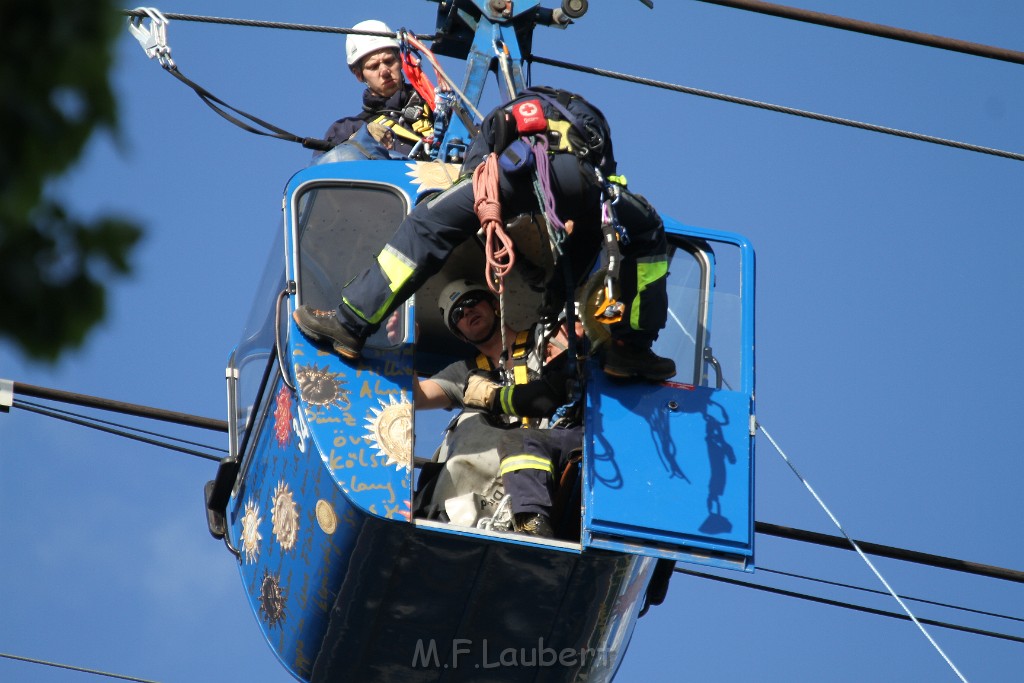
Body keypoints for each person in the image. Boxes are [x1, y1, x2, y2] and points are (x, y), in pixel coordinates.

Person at [295, 86, 675, 382]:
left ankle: (350, 324)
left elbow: (483, 158)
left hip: (527, 172)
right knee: (649, 234)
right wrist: (552, 299)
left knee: (427, 224)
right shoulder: (592, 130)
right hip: (595, 190)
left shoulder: (522, 108)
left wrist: (473, 199)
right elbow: (585, 239)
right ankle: (634, 348)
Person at [413, 279, 581, 537]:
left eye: (471, 302)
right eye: (458, 313)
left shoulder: (543, 339)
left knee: (522, 440)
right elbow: (418, 397)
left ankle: (531, 524)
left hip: (551, 445)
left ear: (494, 304)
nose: (468, 312)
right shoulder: (465, 373)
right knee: (467, 422)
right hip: (503, 472)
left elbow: (579, 346)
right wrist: (405, 348)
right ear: (460, 333)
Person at [319, 19, 433, 159]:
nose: (384, 71)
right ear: (359, 75)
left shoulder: (435, 106)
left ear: (400, 60)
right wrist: (360, 139)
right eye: (373, 67)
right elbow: (324, 167)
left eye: (389, 61)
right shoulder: (348, 128)